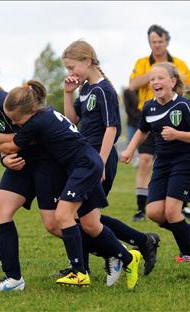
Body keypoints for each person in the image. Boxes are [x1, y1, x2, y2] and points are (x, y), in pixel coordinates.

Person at [0, 80, 142, 289]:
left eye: (16, 120)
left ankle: (80, 272)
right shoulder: (44, 113)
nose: (16, 124)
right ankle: (128, 258)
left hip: (83, 166)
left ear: (30, 111)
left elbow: (12, 145)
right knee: (90, 223)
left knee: (63, 216)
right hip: (81, 165)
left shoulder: (36, 123)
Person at [0, 58, 69, 293]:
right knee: (0, 211)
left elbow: (31, 136)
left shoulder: (5, 102)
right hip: (20, 166)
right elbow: (6, 146)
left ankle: (116, 250)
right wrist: (4, 158)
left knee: (55, 224)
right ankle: (13, 279)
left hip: (44, 164)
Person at [61, 40, 160, 278]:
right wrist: (67, 93)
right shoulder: (85, 89)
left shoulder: (104, 90)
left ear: (87, 61)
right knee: (82, 216)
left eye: (72, 67)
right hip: (85, 158)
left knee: (84, 218)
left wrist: (100, 163)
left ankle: (94, 263)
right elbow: (72, 119)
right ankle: (140, 242)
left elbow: (112, 128)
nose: (70, 73)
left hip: (98, 159)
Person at [121, 62, 190, 263]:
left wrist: (178, 134)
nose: (155, 82)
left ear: (173, 81)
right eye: (152, 79)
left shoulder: (183, 105)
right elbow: (143, 129)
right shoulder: (149, 106)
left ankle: (188, 254)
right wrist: (130, 149)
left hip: (184, 163)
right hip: (162, 164)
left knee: (171, 210)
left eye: (160, 78)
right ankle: (188, 231)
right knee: (154, 212)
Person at [129, 24, 190, 221]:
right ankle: (141, 208)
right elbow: (133, 85)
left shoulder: (178, 63)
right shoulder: (142, 62)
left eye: (160, 41)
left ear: (167, 41)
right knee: (144, 161)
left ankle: (181, 205)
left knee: (176, 160)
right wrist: (155, 74)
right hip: (149, 117)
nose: (157, 45)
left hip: (173, 119)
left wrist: (173, 80)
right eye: (153, 42)